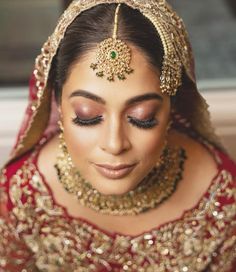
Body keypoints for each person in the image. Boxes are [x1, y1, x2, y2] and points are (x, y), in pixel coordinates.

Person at [0, 1, 235, 271]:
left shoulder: (220, 194)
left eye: (142, 117)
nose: (114, 144)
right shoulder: (23, 193)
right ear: (57, 105)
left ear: (172, 108)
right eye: (87, 116)